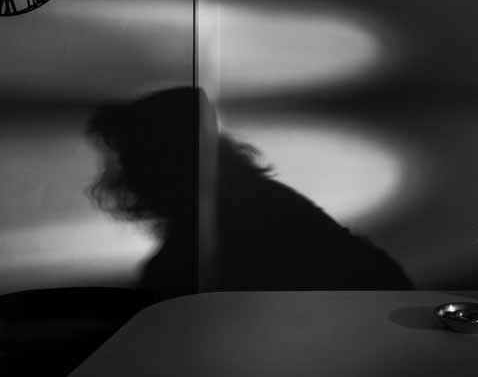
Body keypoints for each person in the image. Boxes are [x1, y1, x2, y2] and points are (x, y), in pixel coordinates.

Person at [86, 86, 412, 301]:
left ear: (161, 160)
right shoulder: (257, 203)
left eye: (130, 157)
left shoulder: (237, 220)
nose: (121, 173)